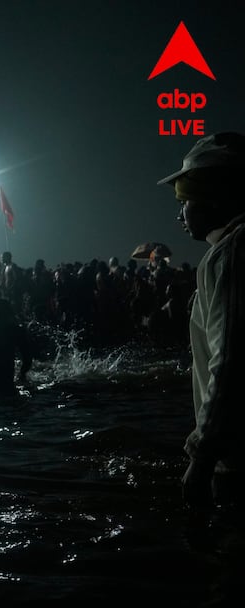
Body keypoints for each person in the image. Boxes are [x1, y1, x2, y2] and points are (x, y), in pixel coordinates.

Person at [158, 131, 245, 507]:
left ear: (216, 197)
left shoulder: (231, 255)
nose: (180, 213)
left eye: (185, 198)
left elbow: (231, 362)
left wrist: (202, 456)